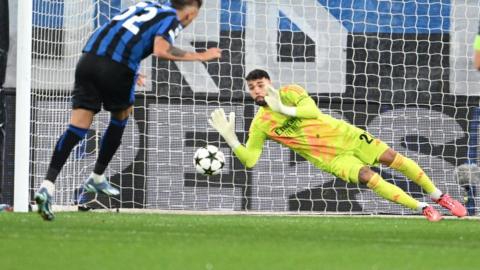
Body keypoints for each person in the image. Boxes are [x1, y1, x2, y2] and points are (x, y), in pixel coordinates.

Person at [34, 0, 221, 221]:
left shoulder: (146, 5)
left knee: (78, 126)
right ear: (191, 13)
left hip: (89, 59)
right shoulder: (174, 18)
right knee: (121, 115)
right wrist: (200, 56)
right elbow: (161, 49)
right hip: (117, 66)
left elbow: (124, 33)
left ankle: (47, 185)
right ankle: (97, 176)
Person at [209, 69, 467, 222]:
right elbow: (251, 159)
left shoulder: (289, 92)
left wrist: (283, 108)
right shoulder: (260, 124)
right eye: (252, 88)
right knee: (369, 177)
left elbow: (310, 110)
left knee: (393, 158)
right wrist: (231, 139)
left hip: (347, 135)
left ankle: (439, 196)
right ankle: (423, 208)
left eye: (260, 85)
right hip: (330, 158)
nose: (256, 91)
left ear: (270, 83)